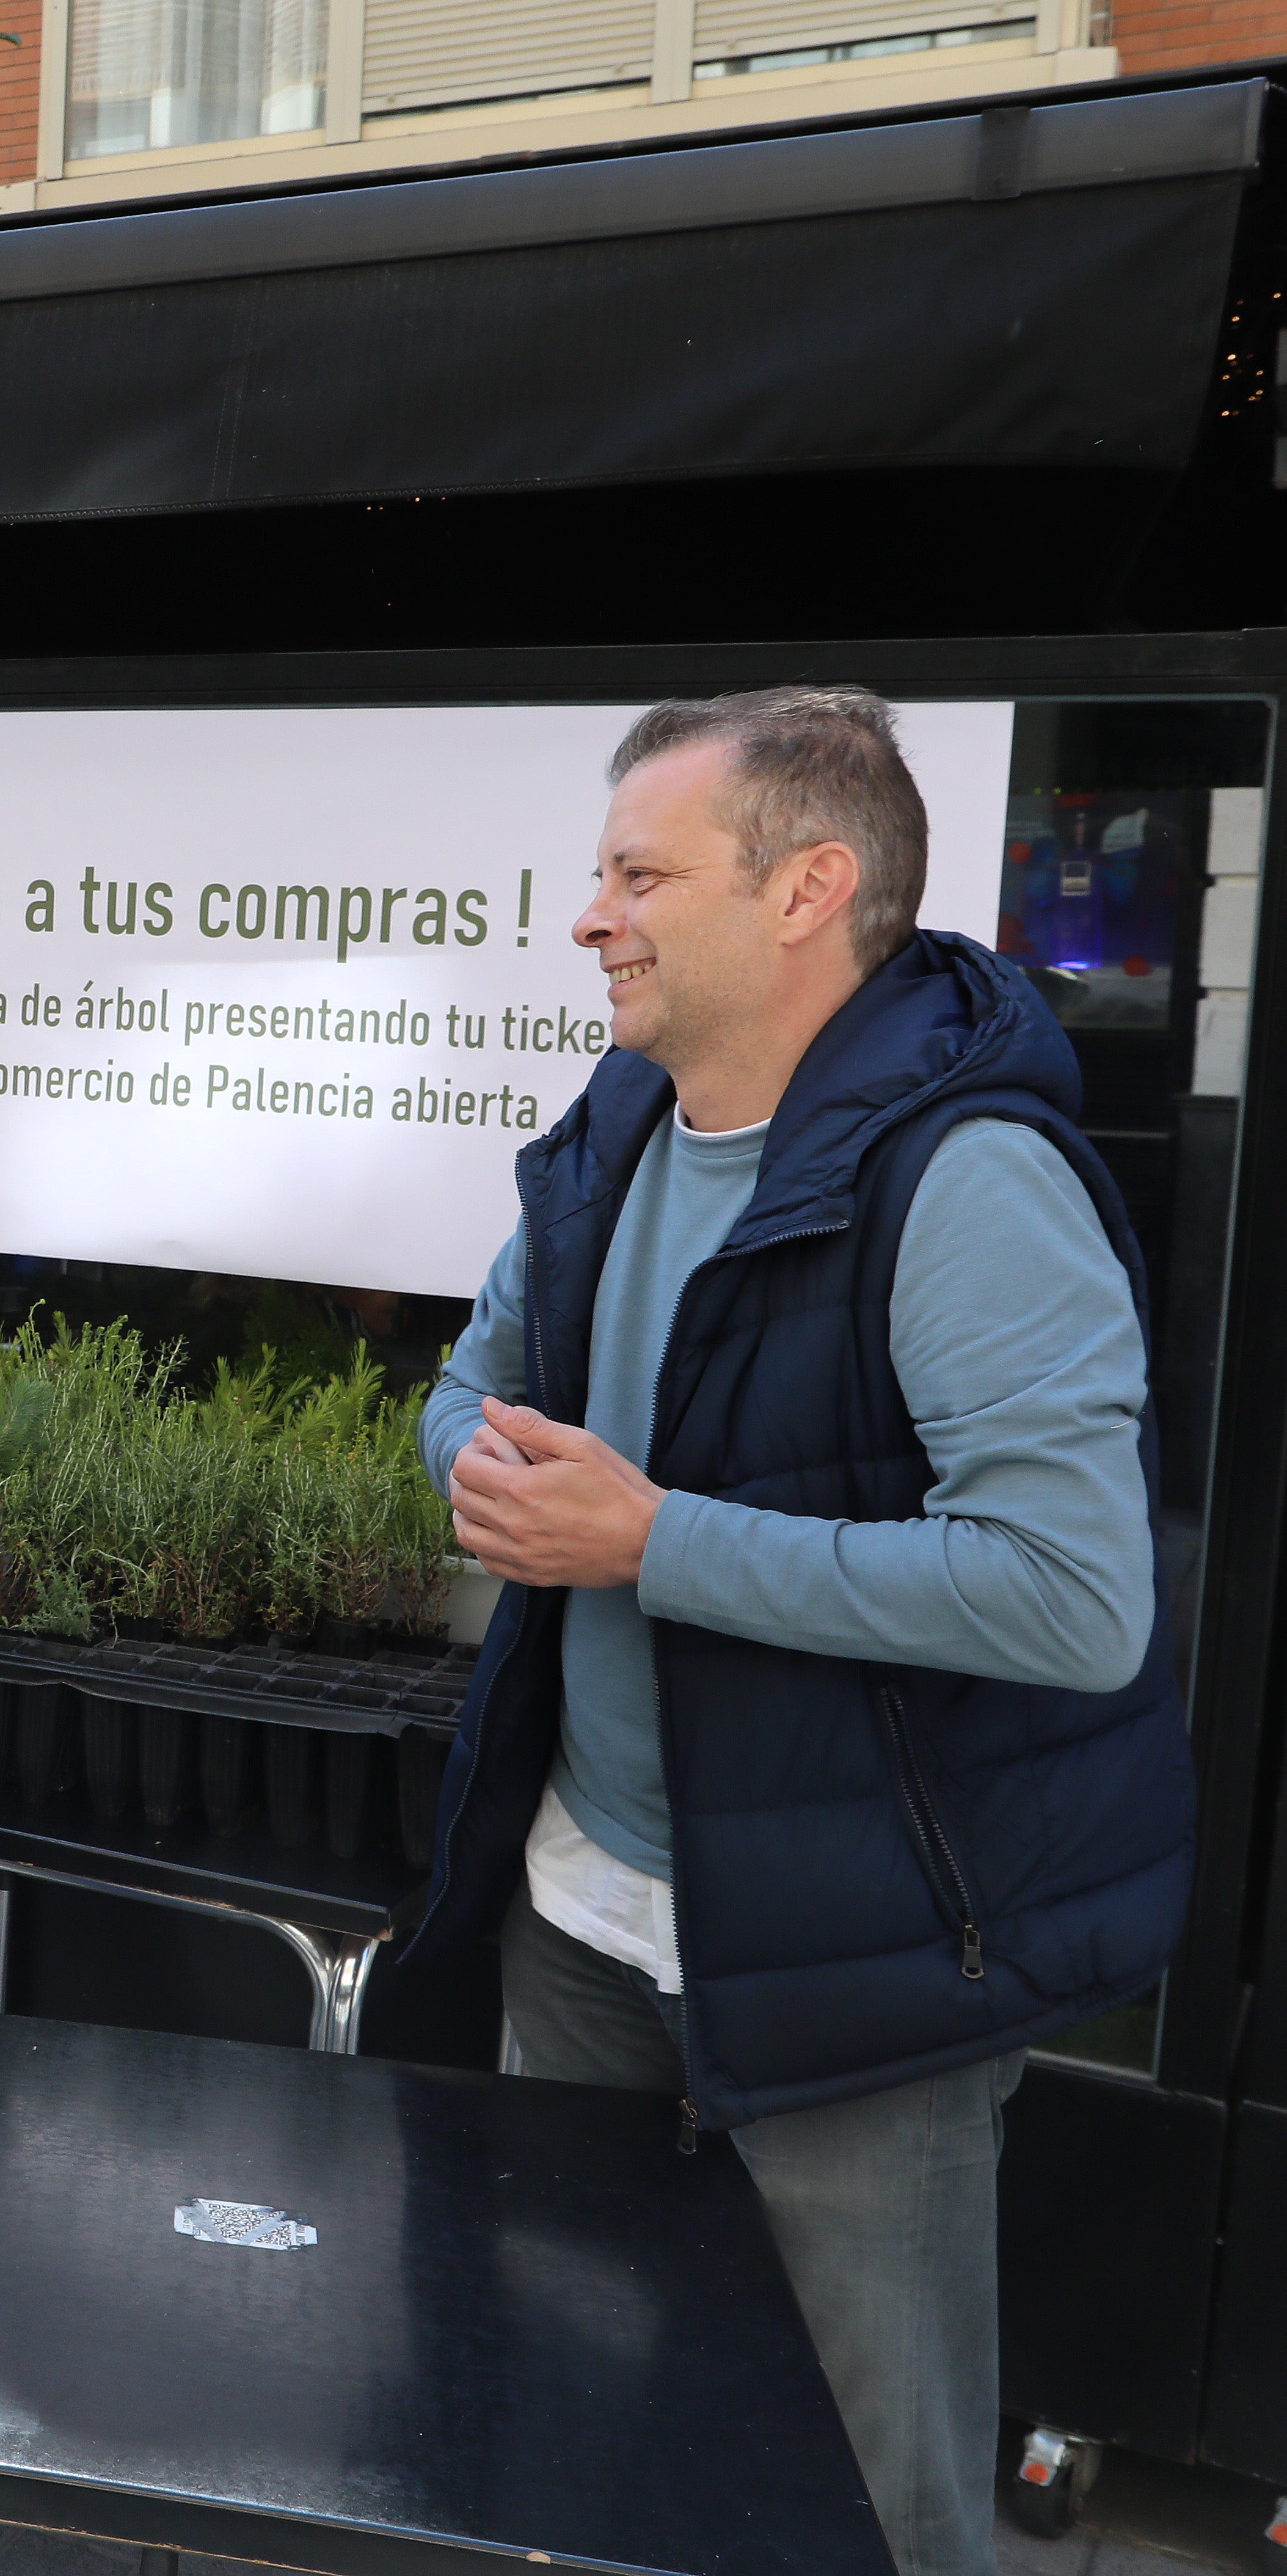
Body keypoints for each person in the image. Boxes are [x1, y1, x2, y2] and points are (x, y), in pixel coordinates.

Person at [410, 687, 1189, 2576]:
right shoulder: (614, 1126)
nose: (590, 914)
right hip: (584, 1911)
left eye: (637, 873)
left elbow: (1074, 1597)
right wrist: (482, 1468)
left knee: (869, 2502)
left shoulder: (966, 1181)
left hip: (863, 1971)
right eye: (595, 872)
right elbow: (472, 1376)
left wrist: (650, 1539)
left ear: (805, 888)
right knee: (566, 2438)